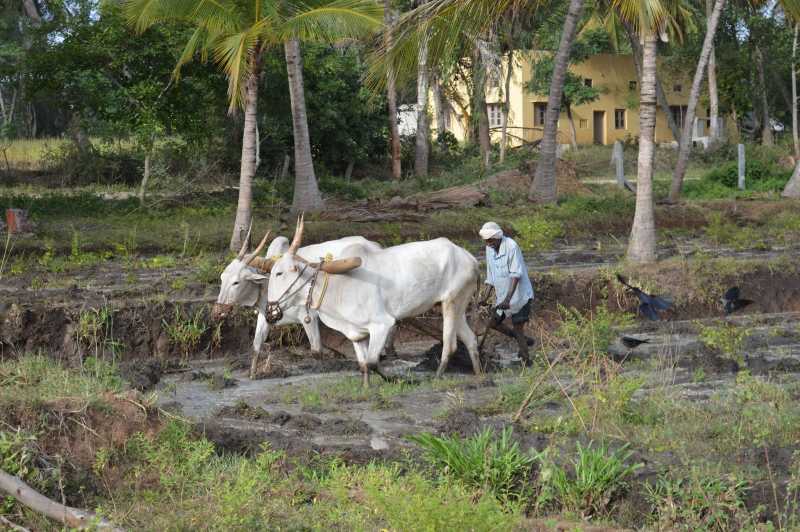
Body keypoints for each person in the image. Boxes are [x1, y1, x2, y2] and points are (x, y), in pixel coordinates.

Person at [479, 221, 535, 364]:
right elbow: (490, 275)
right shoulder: (489, 249)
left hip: (519, 295)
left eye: (491, 240)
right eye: (486, 240)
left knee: (517, 326)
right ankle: (521, 338)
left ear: (498, 237)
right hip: (503, 296)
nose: (488, 243)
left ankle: (526, 361)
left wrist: (508, 300)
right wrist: (485, 297)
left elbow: (516, 274)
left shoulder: (511, 246)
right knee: (492, 323)